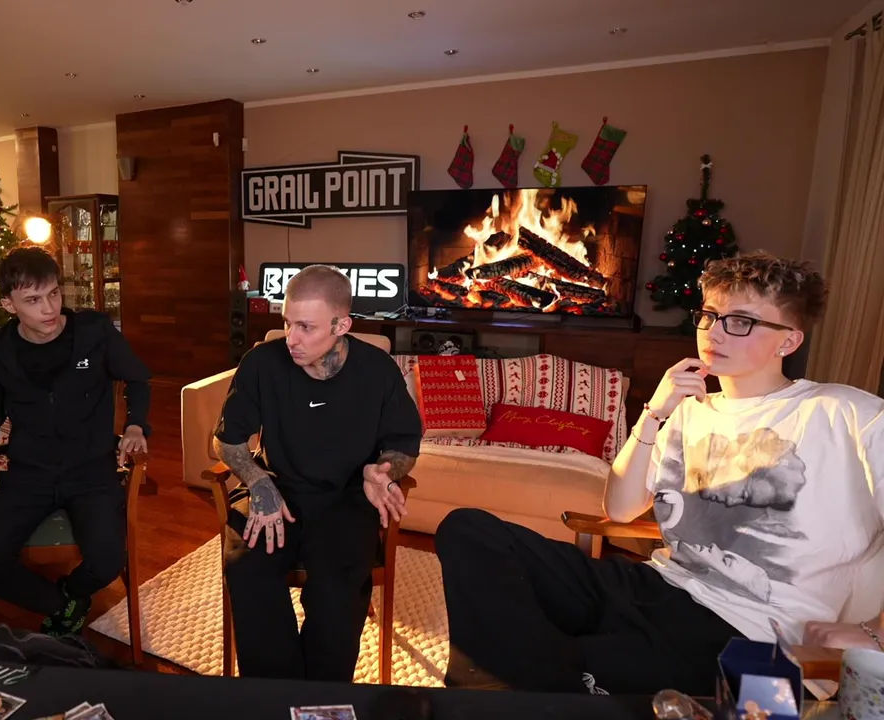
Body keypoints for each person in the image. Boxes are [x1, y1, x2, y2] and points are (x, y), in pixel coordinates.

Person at [435, 252, 884, 697]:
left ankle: (532, 688)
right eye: (709, 315)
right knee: (470, 531)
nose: (714, 332)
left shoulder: (848, 414)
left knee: (555, 661)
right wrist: (654, 413)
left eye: (741, 321)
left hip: (742, 632)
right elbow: (620, 508)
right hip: (653, 585)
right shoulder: (690, 410)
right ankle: (544, 690)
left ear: (788, 341)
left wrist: (875, 632)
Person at [212, 264, 423, 681]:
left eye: (306, 327)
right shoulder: (262, 363)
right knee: (248, 568)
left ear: (342, 325)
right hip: (276, 489)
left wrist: (381, 471)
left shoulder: (377, 369)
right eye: (287, 323)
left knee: (338, 586)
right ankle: (277, 693)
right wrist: (256, 480)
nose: (291, 338)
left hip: (347, 496)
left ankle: (323, 694)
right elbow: (225, 441)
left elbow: (403, 444)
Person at [0, 247, 151, 636]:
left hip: (92, 470)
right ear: (9, 305)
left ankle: (72, 592)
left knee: (107, 561)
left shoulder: (94, 333)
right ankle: (63, 606)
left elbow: (138, 379)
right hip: (30, 472)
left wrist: (135, 426)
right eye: (33, 300)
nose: (48, 308)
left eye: (53, 294)